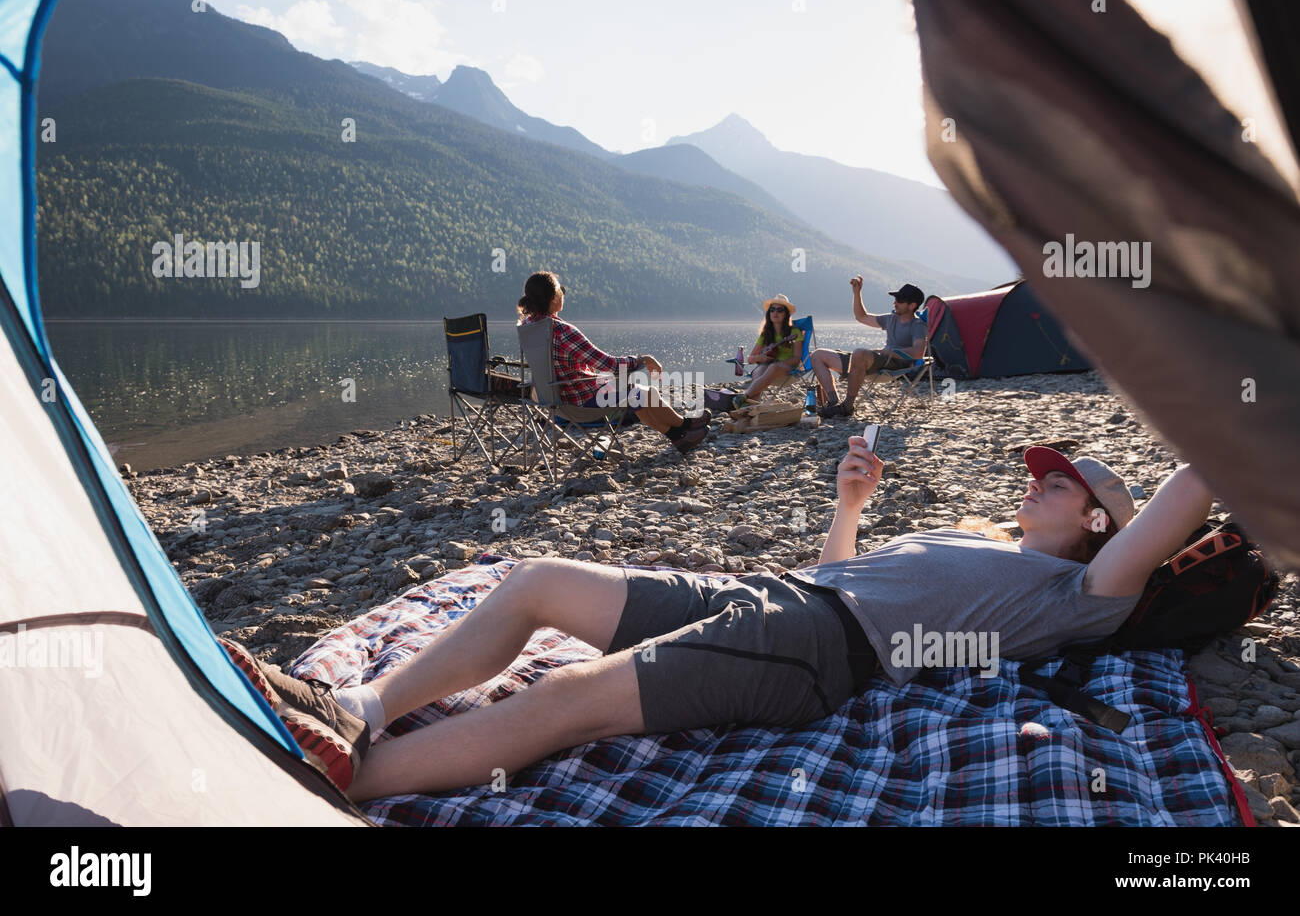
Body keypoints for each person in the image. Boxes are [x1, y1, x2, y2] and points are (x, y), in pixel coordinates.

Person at [221, 438, 1214, 798]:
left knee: (571, 696)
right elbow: (843, 574)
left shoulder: (1078, 596)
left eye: (1061, 485)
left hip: (816, 651)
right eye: (1040, 476)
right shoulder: (984, 548)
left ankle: (334, 786)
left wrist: (1240, 391)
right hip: (786, 596)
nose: (1035, 484)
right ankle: (359, 706)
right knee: (535, 581)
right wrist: (851, 507)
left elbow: (1180, 500)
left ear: (1098, 524)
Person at [516, 271, 709, 453]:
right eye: (560, 289)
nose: (562, 293)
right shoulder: (561, 331)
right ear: (553, 298)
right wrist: (642, 360)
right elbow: (609, 364)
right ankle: (685, 425)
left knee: (636, 394)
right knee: (646, 393)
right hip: (582, 402)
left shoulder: (528, 326)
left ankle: (679, 436)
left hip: (552, 400)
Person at [809, 277, 930, 418]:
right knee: (818, 355)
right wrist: (856, 293)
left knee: (859, 353)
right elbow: (862, 317)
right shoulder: (891, 319)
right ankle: (833, 401)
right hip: (875, 361)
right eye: (896, 299)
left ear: (912, 305)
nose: (895, 302)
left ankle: (847, 405)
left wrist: (894, 352)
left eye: (900, 300)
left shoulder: (918, 326)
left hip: (892, 365)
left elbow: (918, 353)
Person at [732, 294, 805, 409]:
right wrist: (761, 358)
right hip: (767, 369)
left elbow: (797, 358)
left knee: (773, 367)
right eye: (772, 309)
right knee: (757, 372)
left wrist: (779, 364)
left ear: (786, 314)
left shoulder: (794, 332)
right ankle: (751, 408)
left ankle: (744, 397)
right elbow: (750, 359)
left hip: (790, 370)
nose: (775, 312)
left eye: (780, 310)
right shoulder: (766, 334)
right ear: (769, 313)